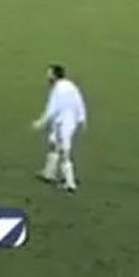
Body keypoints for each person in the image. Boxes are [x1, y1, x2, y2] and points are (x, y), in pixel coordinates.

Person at [32, 64, 87, 193]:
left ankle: (70, 183)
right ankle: (49, 173)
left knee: (64, 152)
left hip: (63, 125)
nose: (47, 76)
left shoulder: (57, 90)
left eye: (49, 73)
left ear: (55, 76)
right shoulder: (70, 86)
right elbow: (79, 102)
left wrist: (40, 122)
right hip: (70, 122)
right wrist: (82, 118)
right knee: (53, 144)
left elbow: (51, 109)